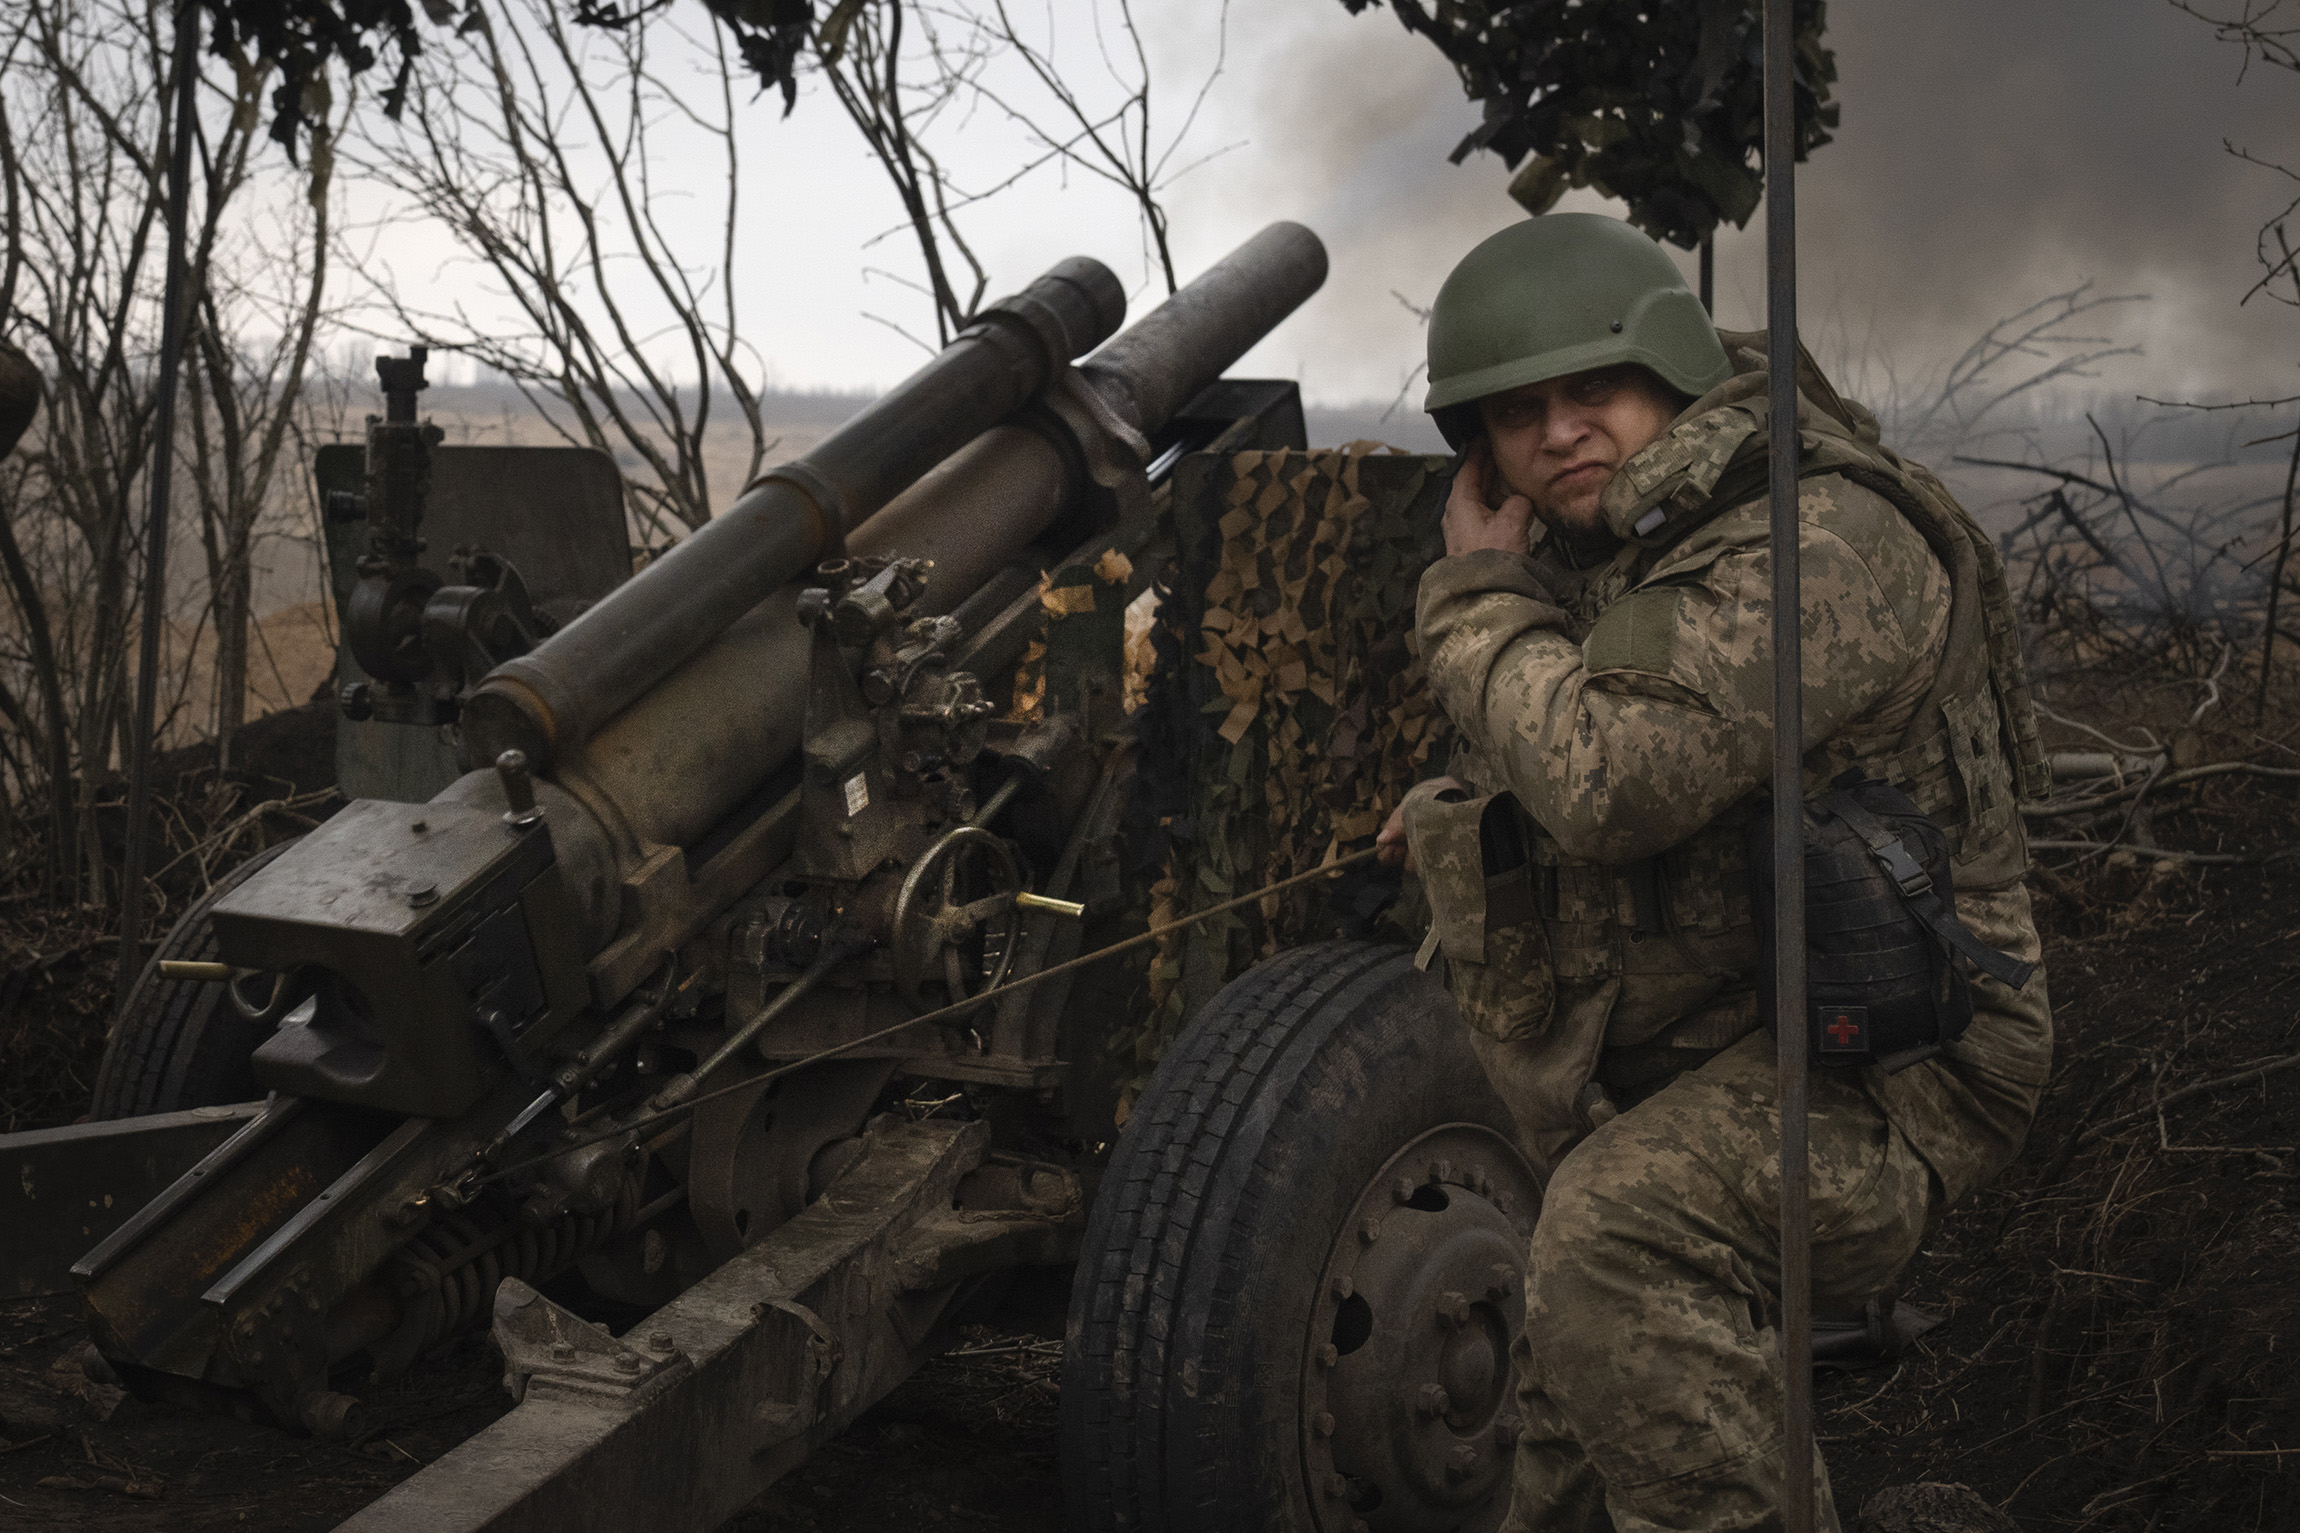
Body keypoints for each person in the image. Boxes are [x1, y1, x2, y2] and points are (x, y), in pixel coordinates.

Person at [1373, 213, 2053, 1532]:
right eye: (1519, 412)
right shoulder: (1620, 545)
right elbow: (1593, 739)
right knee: (1576, 1379)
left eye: (1595, 389)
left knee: (1618, 1242)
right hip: (1737, 1035)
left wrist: (1475, 602)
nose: (1561, 430)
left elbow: (1617, 775)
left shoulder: (1818, 537)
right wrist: (1467, 801)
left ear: (1674, 373)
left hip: (1906, 1068)